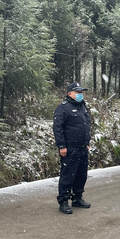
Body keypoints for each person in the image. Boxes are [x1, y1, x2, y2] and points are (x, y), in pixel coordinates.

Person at [53, 82, 91, 214]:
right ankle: (63, 201)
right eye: (78, 92)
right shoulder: (63, 108)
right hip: (70, 148)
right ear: (70, 93)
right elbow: (58, 128)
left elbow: (86, 125)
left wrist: (87, 142)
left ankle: (77, 198)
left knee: (81, 175)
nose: (81, 94)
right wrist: (62, 146)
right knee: (68, 175)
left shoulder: (82, 106)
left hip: (82, 147)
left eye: (81, 92)